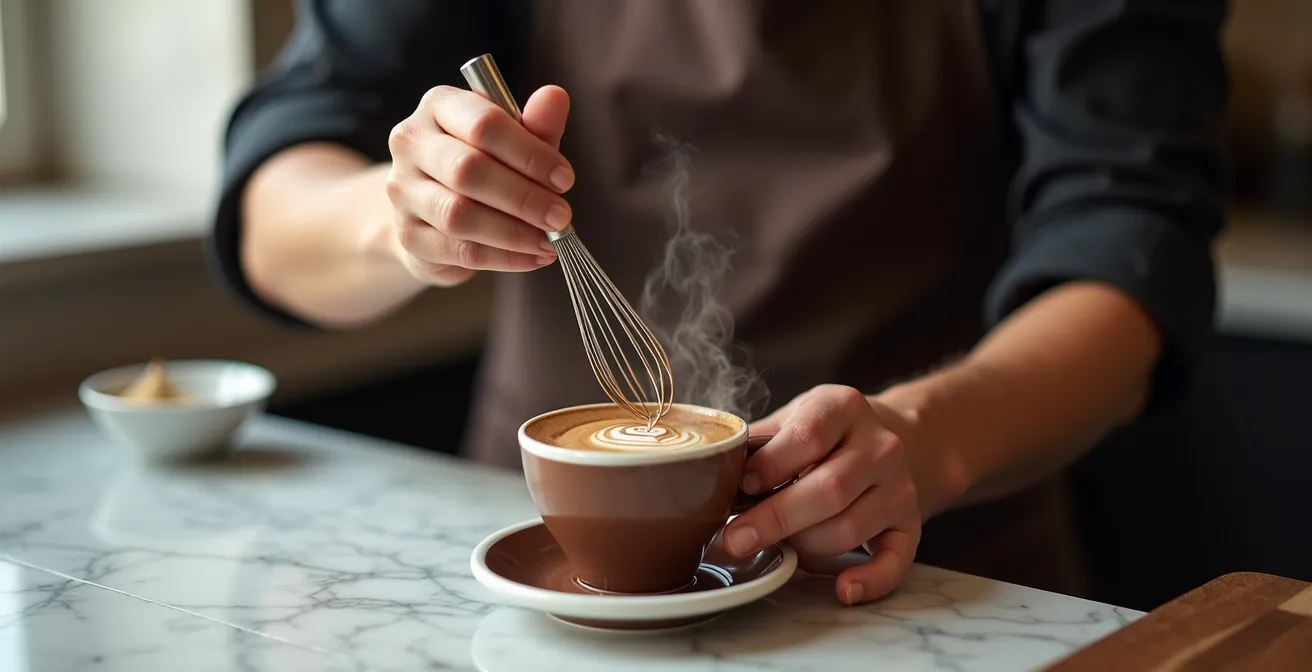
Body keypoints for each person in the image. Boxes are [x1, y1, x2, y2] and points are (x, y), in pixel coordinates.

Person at [209, 0, 1229, 606]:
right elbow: (274, 210)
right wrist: (401, 221)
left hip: (925, 581)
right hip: (548, 580)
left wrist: (929, 437)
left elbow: (1130, 243)